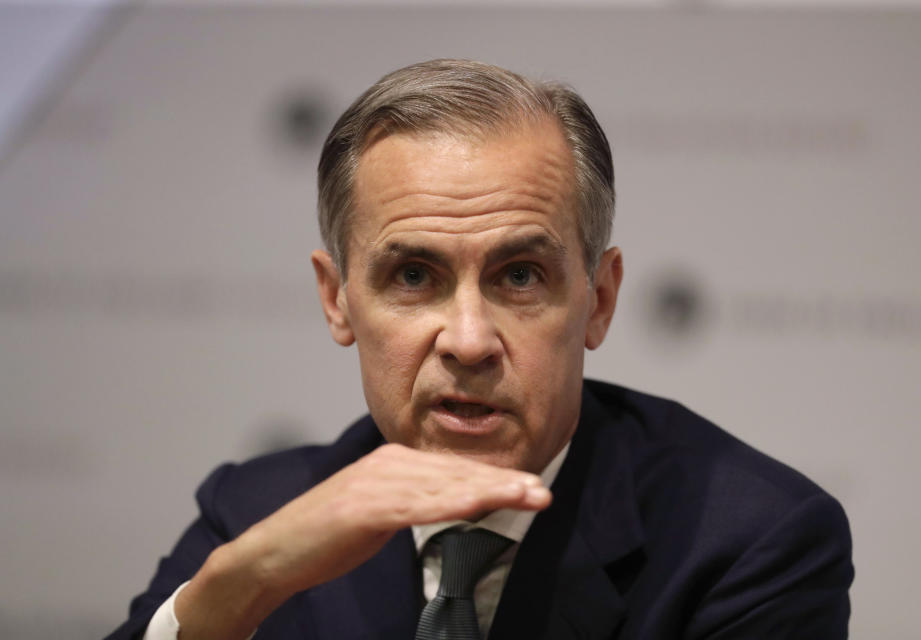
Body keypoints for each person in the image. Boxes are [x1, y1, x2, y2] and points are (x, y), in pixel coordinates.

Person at [106, 59, 853, 640]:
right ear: (338, 299)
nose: (468, 341)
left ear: (599, 298)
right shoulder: (253, 514)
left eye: (520, 275)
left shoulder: (749, 540)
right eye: (413, 275)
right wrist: (240, 591)